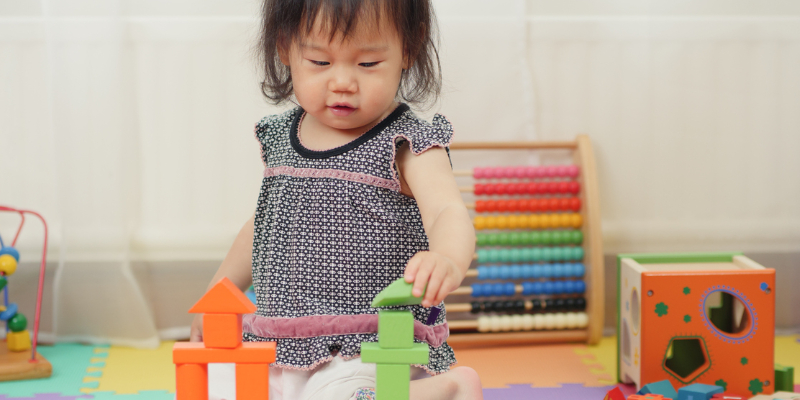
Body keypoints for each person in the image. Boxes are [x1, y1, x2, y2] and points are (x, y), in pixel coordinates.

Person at [191, 0, 482, 399]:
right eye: (320, 61)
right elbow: (264, 227)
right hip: (277, 341)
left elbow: (446, 209)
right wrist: (217, 294)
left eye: (367, 64)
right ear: (285, 47)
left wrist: (447, 257)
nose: (342, 82)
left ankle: (448, 388)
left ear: (408, 50)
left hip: (369, 346)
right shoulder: (280, 137)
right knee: (215, 386)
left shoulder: (405, 141)